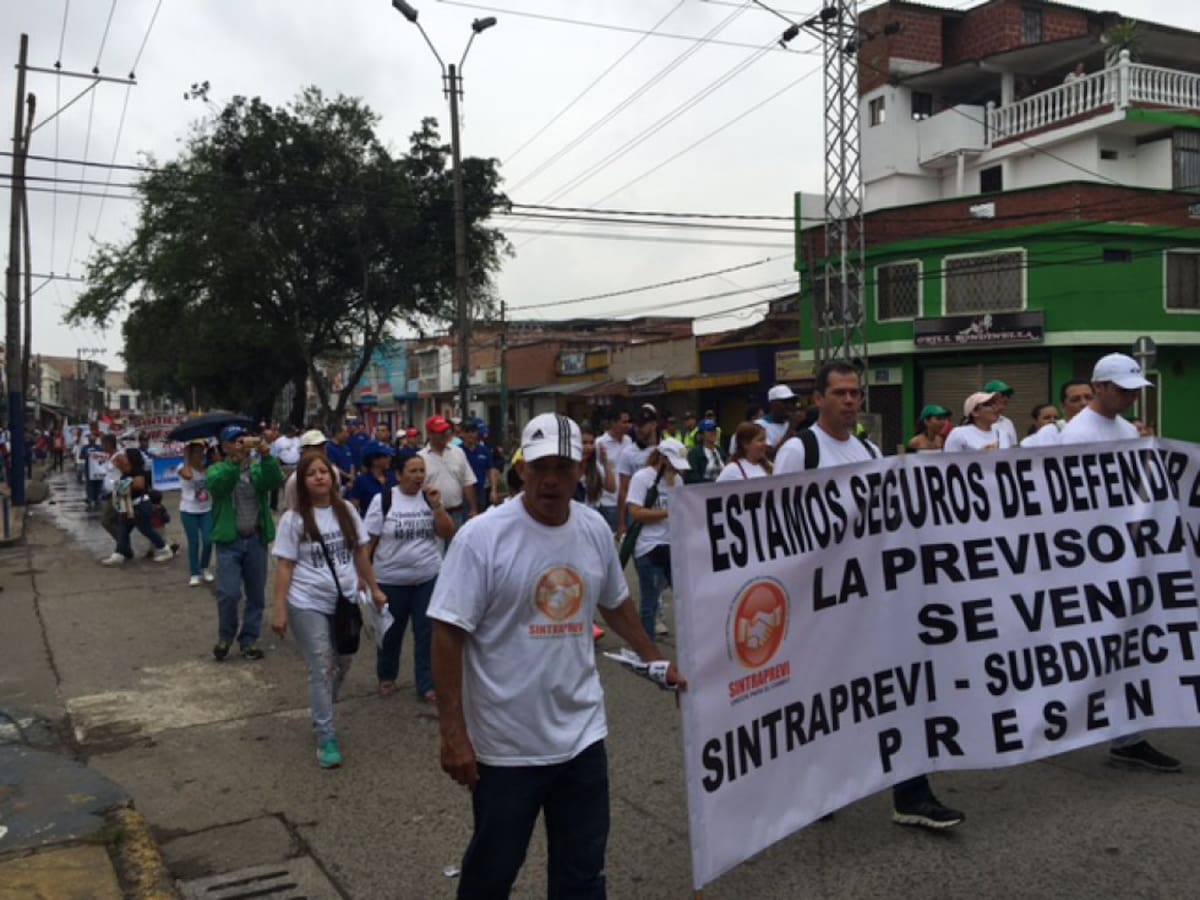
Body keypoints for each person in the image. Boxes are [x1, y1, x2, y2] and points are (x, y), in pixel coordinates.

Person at [427, 413, 686, 898]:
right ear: (521, 467)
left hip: (583, 738)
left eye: (563, 468)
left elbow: (617, 604)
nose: (551, 480)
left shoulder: (590, 529)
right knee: (491, 873)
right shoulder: (482, 538)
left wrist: (656, 662)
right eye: (540, 466)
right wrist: (453, 733)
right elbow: (447, 633)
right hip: (506, 749)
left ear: (581, 467)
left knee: (583, 874)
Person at [777, 361, 963, 830]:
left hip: (871, 598)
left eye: (855, 393)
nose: (849, 401)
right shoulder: (801, 451)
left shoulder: (865, 447)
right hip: (822, 603)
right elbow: (777, 527)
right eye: (839, 392)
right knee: (827, 700)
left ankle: (912, 795)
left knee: (901, 689)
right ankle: (814, 788)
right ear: (817, 398)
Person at [1058, 352, 1180, 772]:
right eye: (1124, 389)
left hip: (1126, 553)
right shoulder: (1076, 434)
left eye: (1135, 390)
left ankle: (1127, 735)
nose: (1131, 397)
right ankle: (1079, 721)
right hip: (1096, 557)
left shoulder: (1125, 427)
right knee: (1102, 644)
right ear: (1101, 387)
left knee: (1128, 645)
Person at [271, 454, 386, 769]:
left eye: (324, 472)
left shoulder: (347, 511)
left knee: (343, 662)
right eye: (312, 473)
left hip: (345, 600)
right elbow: (285, 565)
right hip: (307, 601)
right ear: (302, 482)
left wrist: (374, 589)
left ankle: (323, 705)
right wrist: (279, 608)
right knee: (322, 665)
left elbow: (361, 554)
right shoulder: (293, 520)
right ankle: (326, 736)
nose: (320, 477)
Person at [364, 454, 456, 701]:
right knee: (391, 633)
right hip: (391, 580)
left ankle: (427, 684)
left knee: (427, 633)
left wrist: (437, 507)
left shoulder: (429, 498)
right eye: (413, 471)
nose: (418, 476)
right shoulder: (383, 500)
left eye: (421, 471)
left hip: (427, 577)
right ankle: (387, 676)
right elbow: (368, 544)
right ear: (398, 474)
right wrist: (366, 579)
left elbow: (447, 532)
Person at [207, 426, 284, 661]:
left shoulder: (257, 469)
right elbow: (219, 486)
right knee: (228, 593)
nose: (241, 444)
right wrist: (235, 463)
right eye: (235, 441)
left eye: (244, 440)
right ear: (225, 446)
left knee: (256, 595)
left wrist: (267, 455)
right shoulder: (217, 469)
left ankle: (248, 640)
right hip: (229, 542)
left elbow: (275, 480)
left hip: (255, 540)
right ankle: (226, 636)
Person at [626, 438, 690, 639]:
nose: (677, 470)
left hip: (673, 545)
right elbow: (635, 512)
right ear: (663, 459)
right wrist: (667, 512)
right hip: (648, 547)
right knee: (650, 601)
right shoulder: (642, 478)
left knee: (684, 598)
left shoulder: (677, 480)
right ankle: (647, 648)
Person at [420, 415, 477, 527]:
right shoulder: (420, 457)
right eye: (440, 431)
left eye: (446, 430)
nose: (445, 434)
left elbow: (467, 482)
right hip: (431, 514)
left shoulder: (458, 452)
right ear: (430, 434)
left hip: (457, 512)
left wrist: (473, 508)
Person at [615, 403, 660, 543]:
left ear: (653, 425)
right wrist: (621, 523)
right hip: (637, 510)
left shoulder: (665, 449)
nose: (638, 429)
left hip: (661, 509)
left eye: (642, 425)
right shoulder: (627, 453)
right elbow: (623, 489)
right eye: (636, 425)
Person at [179, 439, 215, 586]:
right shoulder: (183, 467)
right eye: (196, 453)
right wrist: (186, 458)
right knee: (193, 543)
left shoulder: (207, 468)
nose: (200, 455)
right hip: (189, 510)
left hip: (206, 509)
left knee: (208, 540)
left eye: (202, 452)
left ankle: (204, 567)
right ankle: (194, 573)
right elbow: (187, 476)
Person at [594, 409, 631, 535]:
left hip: (627, 501)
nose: (628, 425)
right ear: (613, 423)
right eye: (624, 422)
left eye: (628, 422)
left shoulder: (628, 441)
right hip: (610, 501)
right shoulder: (600, 443)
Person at [281, 430, 333, 510]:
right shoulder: (295, 480)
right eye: (317, 447)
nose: (322, 451)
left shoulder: (332, 473)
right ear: (305, 450)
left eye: (323, 446)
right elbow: (291, 509)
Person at [943, 391, 1010, 452]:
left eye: (995, 404)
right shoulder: (959, 434)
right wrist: (979, 455)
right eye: (988, 404)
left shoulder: (1003, 435)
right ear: (975, 412)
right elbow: (949, 461)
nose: (995, 407)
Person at [461, 420, 499, 513]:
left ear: (477, 433)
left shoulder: (484, 450)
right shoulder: (458, 451)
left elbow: (490, 470)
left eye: (473, 432)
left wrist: (493, 490)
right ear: (462, 434)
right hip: (463, 493)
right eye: (467, 432)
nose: (470, 434)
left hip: (480, 491)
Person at [577, 426, 616, 510]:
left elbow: (611, 488)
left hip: (592, 512)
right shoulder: (567, 467)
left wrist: (605, 462)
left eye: (591, 443)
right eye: (584, 443)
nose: (589, 447)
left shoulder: (595, 467)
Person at [758, 385, 798, 457]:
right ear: (773, 404)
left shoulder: (788, 423)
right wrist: (791, 429)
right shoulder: (760, 425)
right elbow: (769, 455)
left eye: (792, 402)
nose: (789, 405)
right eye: (785, 402)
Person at [685, 418, 725, 482]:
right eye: (709, 430)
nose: (713, 432)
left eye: (714, 429)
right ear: (701, 435)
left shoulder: (720, 451)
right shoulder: (694, 454)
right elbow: (692, 478)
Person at [983, 380, 1019, 448]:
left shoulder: (1007, 422)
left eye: (1008, 395)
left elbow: (1014, 448)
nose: (1006, 398)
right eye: (1003, 394)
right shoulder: (977, 421)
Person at [82, 430, 107, 511]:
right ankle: (90, 499)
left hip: (98, 471)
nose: (91, 439)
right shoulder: (85, 447)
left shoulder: (99, 447)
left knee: (98, 484)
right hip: (88, 469)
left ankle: (97, 499)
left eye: (93, 437)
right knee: (89, 485)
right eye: (90, 437)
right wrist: (87, 456)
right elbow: (81, 456)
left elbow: (104, 456)